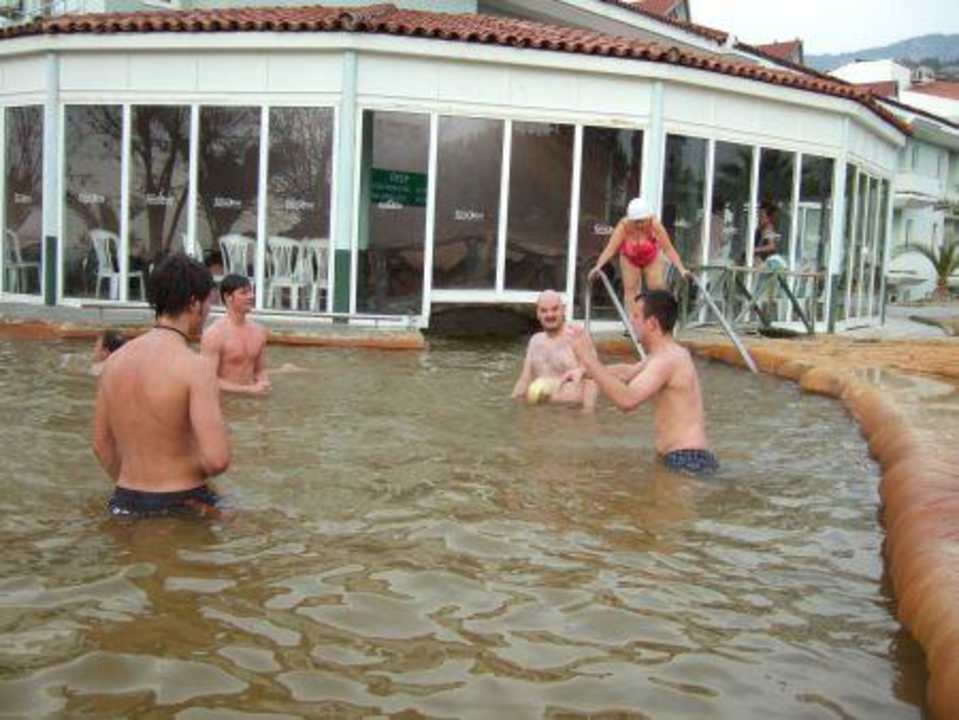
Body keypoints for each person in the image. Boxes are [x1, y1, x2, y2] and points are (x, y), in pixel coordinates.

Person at [92, 252, 231, 518]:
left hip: (124, 501)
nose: (208, 312)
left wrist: (140, 489)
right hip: (183, 502)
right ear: (194, 303)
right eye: (208, 303)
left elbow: (101, 445)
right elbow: (217, 459)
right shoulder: (196, 367)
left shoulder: (114, 362)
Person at [566, 289, 718, 475]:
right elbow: (627, 372)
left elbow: (627, 400)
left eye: (636, 316)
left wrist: (588, 358)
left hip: (687, 459)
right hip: (685, 457)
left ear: (652, 323)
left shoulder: (667, 359)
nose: (631, 321)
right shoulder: (665, 355)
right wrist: (584, 372)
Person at [589, 196, 690, 318]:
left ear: (648, 218)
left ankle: (658, 319)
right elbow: (610, 249)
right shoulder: (624, 226)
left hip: (651, 257)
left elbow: (668, 249)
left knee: (656, 288)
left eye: (642, 221)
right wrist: (598, 266)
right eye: (636, 221)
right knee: (631, 290)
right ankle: (634, 321)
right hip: (629, 257)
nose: (639, 225)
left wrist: (681, 269)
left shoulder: (655, 225)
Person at [512, 290, 599, 411]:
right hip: (540, 413)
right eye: (544, 311)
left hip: (571, 414)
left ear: (563, 310)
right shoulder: (535, 341)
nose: (550, 315)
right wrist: (514, 405)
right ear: (537, 314)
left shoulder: (577, 336)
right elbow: (524, 379)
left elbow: (594, 377)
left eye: (554, 309)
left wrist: (588, 412)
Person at [201, 274, 271, 396]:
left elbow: (260, 370)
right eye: (244, 293)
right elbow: (207, 380)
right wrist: (248, 390)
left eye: (251, 292)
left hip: (252, 399)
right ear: (228, 297)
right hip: (226, 400)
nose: (251, 296)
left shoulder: (259, 331)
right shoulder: (214, 334)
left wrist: (263, 383)